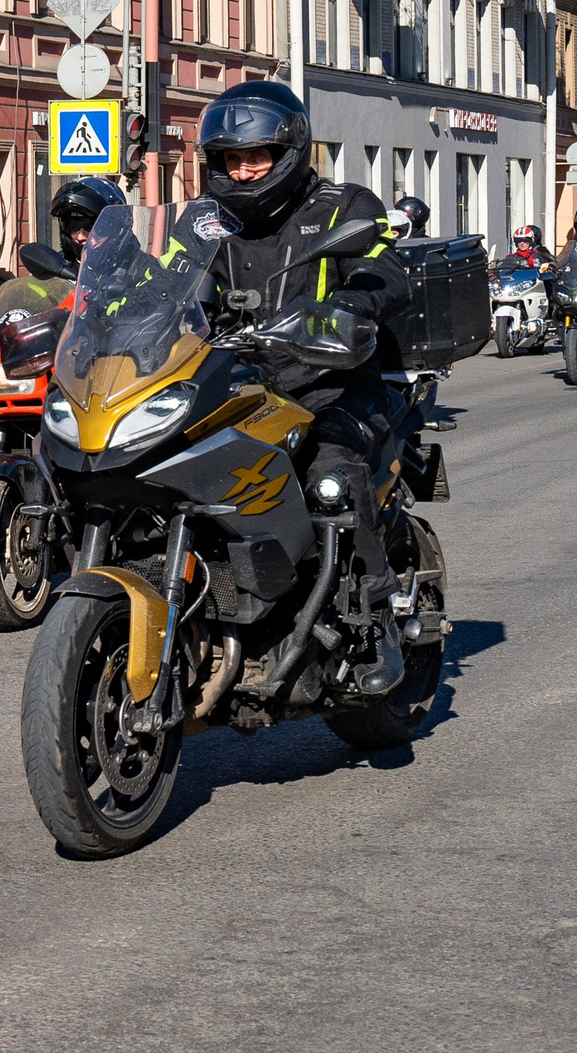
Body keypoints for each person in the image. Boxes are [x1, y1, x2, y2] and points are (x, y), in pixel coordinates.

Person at [165, 81, 413, 696]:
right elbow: (160, 281)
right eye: (230, 160)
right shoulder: (202, 220)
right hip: (235, 384)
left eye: (257, 158)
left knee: (330, 477)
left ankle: (376, 619)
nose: (243, 171)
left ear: (290, 152)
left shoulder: (341, 206)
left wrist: (348, 307)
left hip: (333, 385)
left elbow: (385, 271)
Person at [49, 176, 127, 265]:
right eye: (71, 226)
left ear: (117, 228)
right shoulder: (58, 266)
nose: (80, 237)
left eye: (91, 227)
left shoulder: (140, 268)